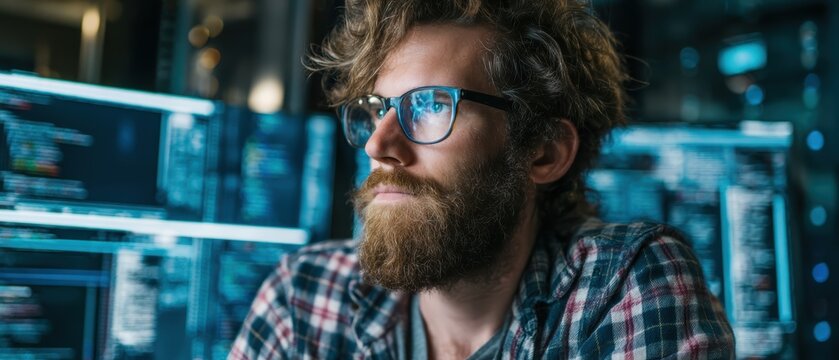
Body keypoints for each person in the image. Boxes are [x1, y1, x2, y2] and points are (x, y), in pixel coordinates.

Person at [229, 0, 734, 358]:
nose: (378, 146)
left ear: (545, 151)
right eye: (377, 109)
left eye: (428, 106)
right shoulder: (303, 297)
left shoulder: (622, 290)